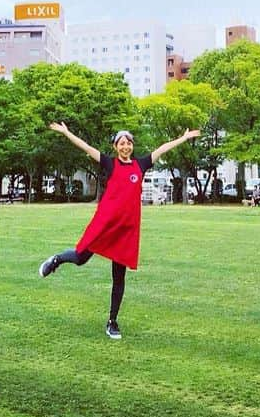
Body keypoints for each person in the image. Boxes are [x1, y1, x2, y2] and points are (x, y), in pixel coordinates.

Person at [39, 122, 200, 340]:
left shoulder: (141, 165)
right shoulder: (110, 164)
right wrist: (67, 133)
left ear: (132, 146)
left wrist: (183, 138)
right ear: (116, 147)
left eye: (129, 143)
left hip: (126, 230)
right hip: (106, 224)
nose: (126, 146)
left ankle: (112, 321)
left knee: (119, 277)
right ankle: (56, 260)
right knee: (80, 257)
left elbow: (162, 148)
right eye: (121, 143)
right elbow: (86, 148)